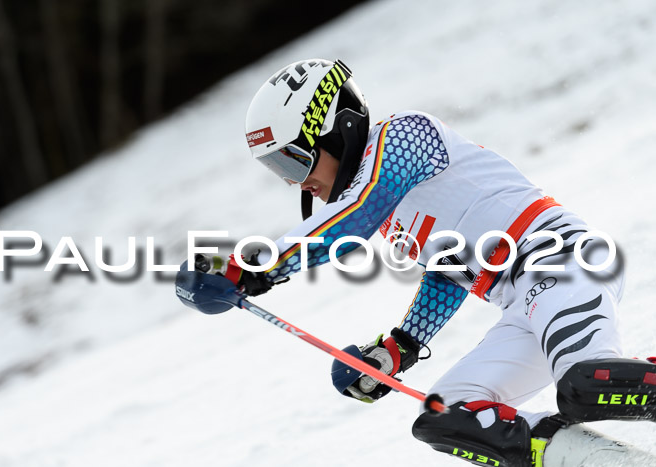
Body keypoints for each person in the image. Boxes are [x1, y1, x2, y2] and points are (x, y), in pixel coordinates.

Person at [187, 59, 656, 466]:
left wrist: (254, 267)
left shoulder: (404, 136)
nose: (297, 183)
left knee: (585, 387)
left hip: (562, 263)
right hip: (525, 301)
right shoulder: (388, 207)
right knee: (446, 415)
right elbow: (450, 273)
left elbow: (354, 220)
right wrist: (400, 347)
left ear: (334, 128)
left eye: (294, 162)